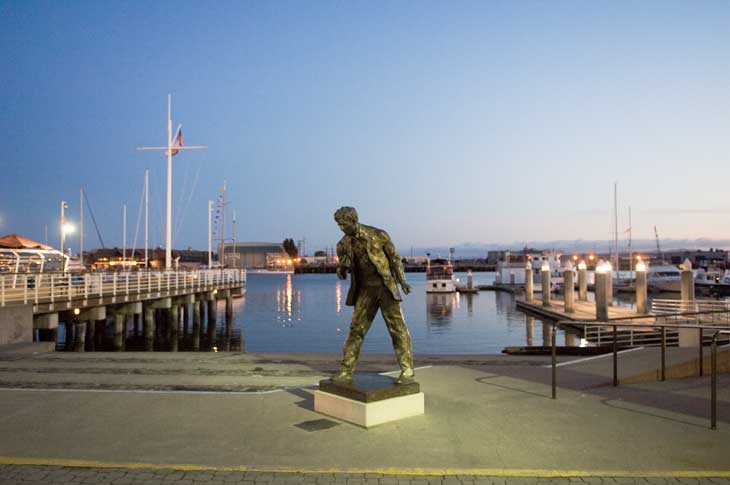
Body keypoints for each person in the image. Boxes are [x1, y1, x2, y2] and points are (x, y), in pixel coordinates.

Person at [332, 206, 415, 385]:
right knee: (356, 331)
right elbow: (341, 272)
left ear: (353, 220)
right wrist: (342, 269)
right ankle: (346, 371)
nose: (341, 228)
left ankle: (407, 369)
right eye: (339, 225)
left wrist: (403, 281)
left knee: (397, 329)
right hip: (365, 291)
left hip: (386, 288)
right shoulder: (342, 245)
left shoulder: (379, 235)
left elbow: (394, 259)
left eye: (343, 224)